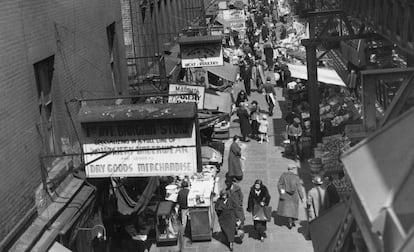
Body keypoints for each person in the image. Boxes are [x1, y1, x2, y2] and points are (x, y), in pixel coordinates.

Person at [277, 164, 304, 229]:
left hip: (286, 195)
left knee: (288, 209)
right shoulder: (296, 177)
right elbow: (299, 187)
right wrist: (302, 197)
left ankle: (290, 222)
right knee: (293, 209)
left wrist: (282, 193)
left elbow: (280, 185)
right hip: (294, 195)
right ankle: (292, 221)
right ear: (292, 169)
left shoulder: (283, 176)